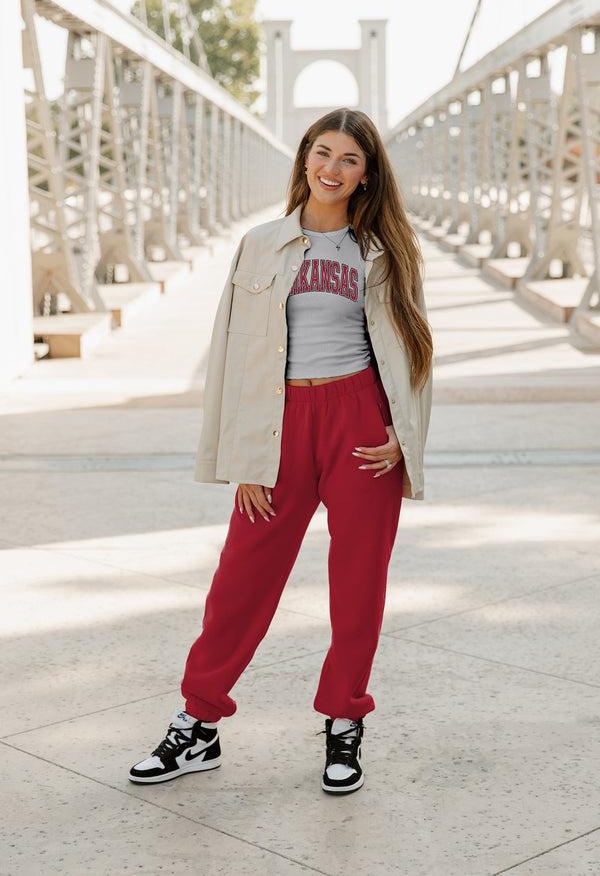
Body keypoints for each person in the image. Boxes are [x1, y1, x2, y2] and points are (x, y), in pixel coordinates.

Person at [129, 107, 434, 795]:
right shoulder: (260, 244)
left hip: (360, 422)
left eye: (349, 159)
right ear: (303, 159)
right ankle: (198, 723)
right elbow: (235, 354)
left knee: (359, 587)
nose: (332, 168)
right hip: (281, 421)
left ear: (366, 174)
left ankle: (344, 723)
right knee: (241, 578)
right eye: (322, 153)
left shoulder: (385, 249)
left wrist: (401, 434)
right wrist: (243, 457)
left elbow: (416, 348)